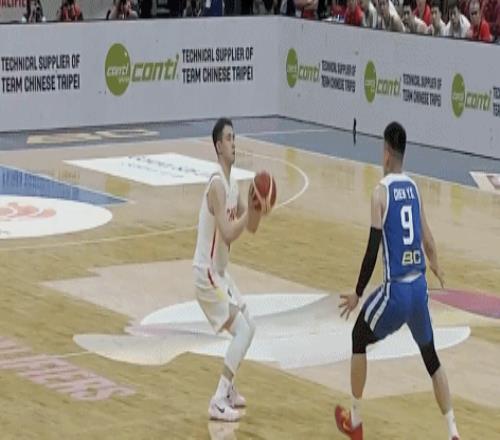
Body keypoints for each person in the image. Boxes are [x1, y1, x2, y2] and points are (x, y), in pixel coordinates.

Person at [335, 122, 460, 440]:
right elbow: (427, 238)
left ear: (387, 153)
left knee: (358, 336)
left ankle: (356, 422)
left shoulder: (380, 192)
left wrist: (358, 292)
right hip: (419, 289)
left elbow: (372, 248)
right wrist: (436, 265)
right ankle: (453, 431)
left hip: (397, 291)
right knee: (431, 358)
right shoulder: (414, 188)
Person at [192, 118, 262, 422]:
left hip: (221, 273)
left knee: (251, 326)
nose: (234, 143)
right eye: (229, 138)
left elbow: (252, 227)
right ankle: (218, 399)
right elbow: (229, 232)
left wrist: (259, 205)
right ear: (219, 145)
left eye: (235, 137)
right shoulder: (217, 186)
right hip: (206, 274)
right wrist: (249, 213)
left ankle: (229, 388)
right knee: (242, 330)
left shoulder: (234, 183)